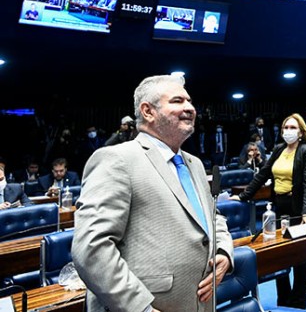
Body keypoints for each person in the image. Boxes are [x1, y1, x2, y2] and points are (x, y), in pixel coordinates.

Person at [72, 74, 234, 311]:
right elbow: (91, 248)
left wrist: (223, 251)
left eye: (189, 101)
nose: (189, 107)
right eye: (178, 101)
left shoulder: (195, 164)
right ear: (148, 111)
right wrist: (141, 308)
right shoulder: (116, 159)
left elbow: (212, 217)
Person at [234, 114, 306, 308]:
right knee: (279, 251)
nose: (288, 131)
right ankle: (283, 298)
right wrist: (243, 195)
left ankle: (297, 301)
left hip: (297, 207)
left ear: (301, 131)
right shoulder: (279, 149)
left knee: (298, 255)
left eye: (292, 127)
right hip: (278, 206)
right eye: (285, 127)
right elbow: (263, 174)